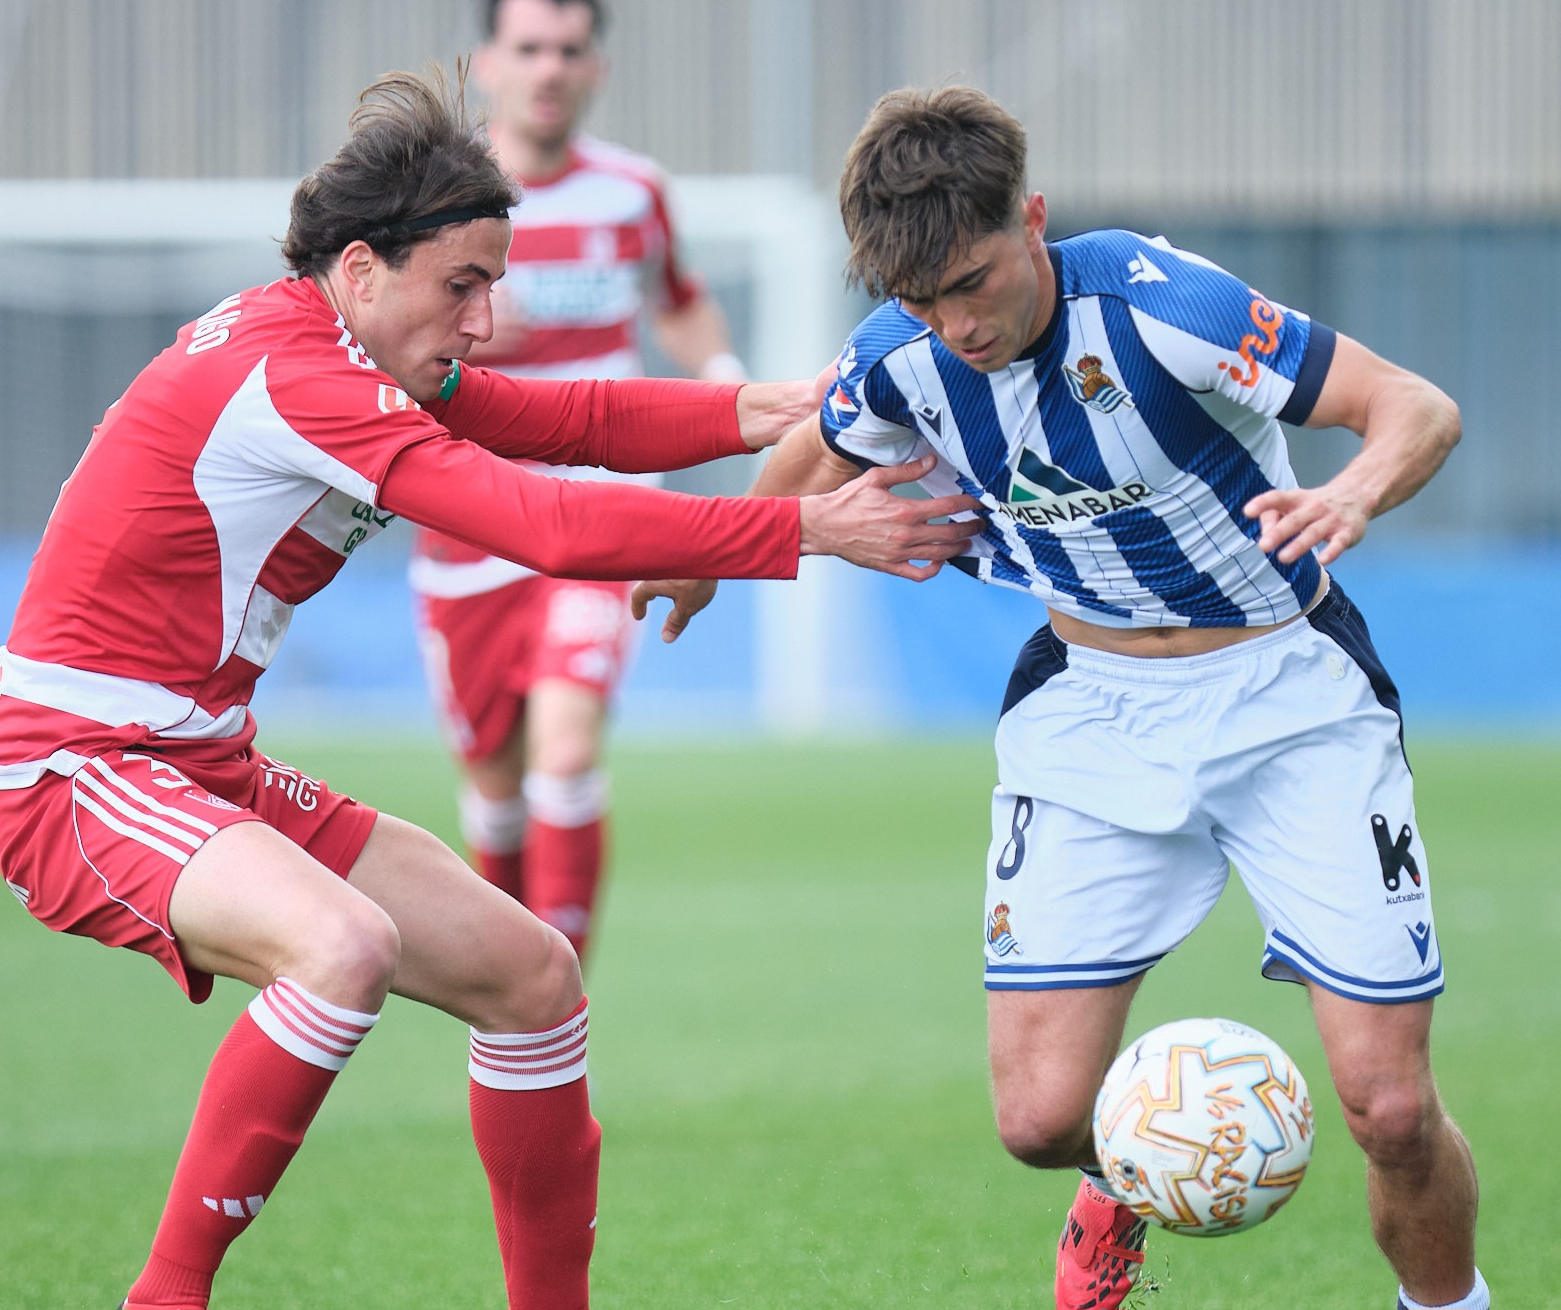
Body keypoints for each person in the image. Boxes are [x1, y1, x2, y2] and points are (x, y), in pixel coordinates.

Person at [0, 68, 978, 1310]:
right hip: (78, 768)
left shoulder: (341, 347)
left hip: (196, 762)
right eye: (464, 283)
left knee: (534, 978)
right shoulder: (303, 381)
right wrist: (808, 533)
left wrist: (768, 404)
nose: (486, 318)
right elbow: (539, 519)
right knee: (341, 948)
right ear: (359, 268)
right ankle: (164, 1298)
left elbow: (568, 419)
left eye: (495, 282)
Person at [634, 86, 1488, 1310]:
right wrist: (723, 552)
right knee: (1038, 1122)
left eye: (973, 281)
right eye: (922, 299)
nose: (956, 324)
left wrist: (1353, 492)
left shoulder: (1160, 306)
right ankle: (1126, 1177)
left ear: (1030, 218)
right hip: (1088, 709)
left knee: (1390, 1109)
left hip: (1292, 696)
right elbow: (822, 441)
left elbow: (1419, 407)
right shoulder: (904, 350)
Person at [406, 0, 744, 963]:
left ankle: (556, 989)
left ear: (594, 66)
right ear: (487, 66)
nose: (548, 70)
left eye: (567, 50)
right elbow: (368, 333)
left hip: (601, 503)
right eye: (528, 49)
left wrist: (724, 386)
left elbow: (678, 298)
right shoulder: (430, 199)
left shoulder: (632, 190)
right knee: (496, 789)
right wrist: (454, 325)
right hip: (469, 517)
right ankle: (508, 985)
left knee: (566, 745)